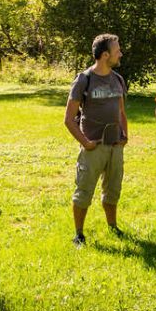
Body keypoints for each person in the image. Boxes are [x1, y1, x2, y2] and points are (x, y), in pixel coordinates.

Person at [63, 34, 128, 247]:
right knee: (84, 191)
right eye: (117, 50)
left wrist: (124, 135)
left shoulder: (118, 79)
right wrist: (85, 142)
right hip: (93, 147)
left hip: (115, 145)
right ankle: (79, 234)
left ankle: (113, 226)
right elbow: (68, 119)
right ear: (105, 54)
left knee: (113, 189)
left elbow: (121, 111)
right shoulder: (84, 79)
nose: (120, 53)